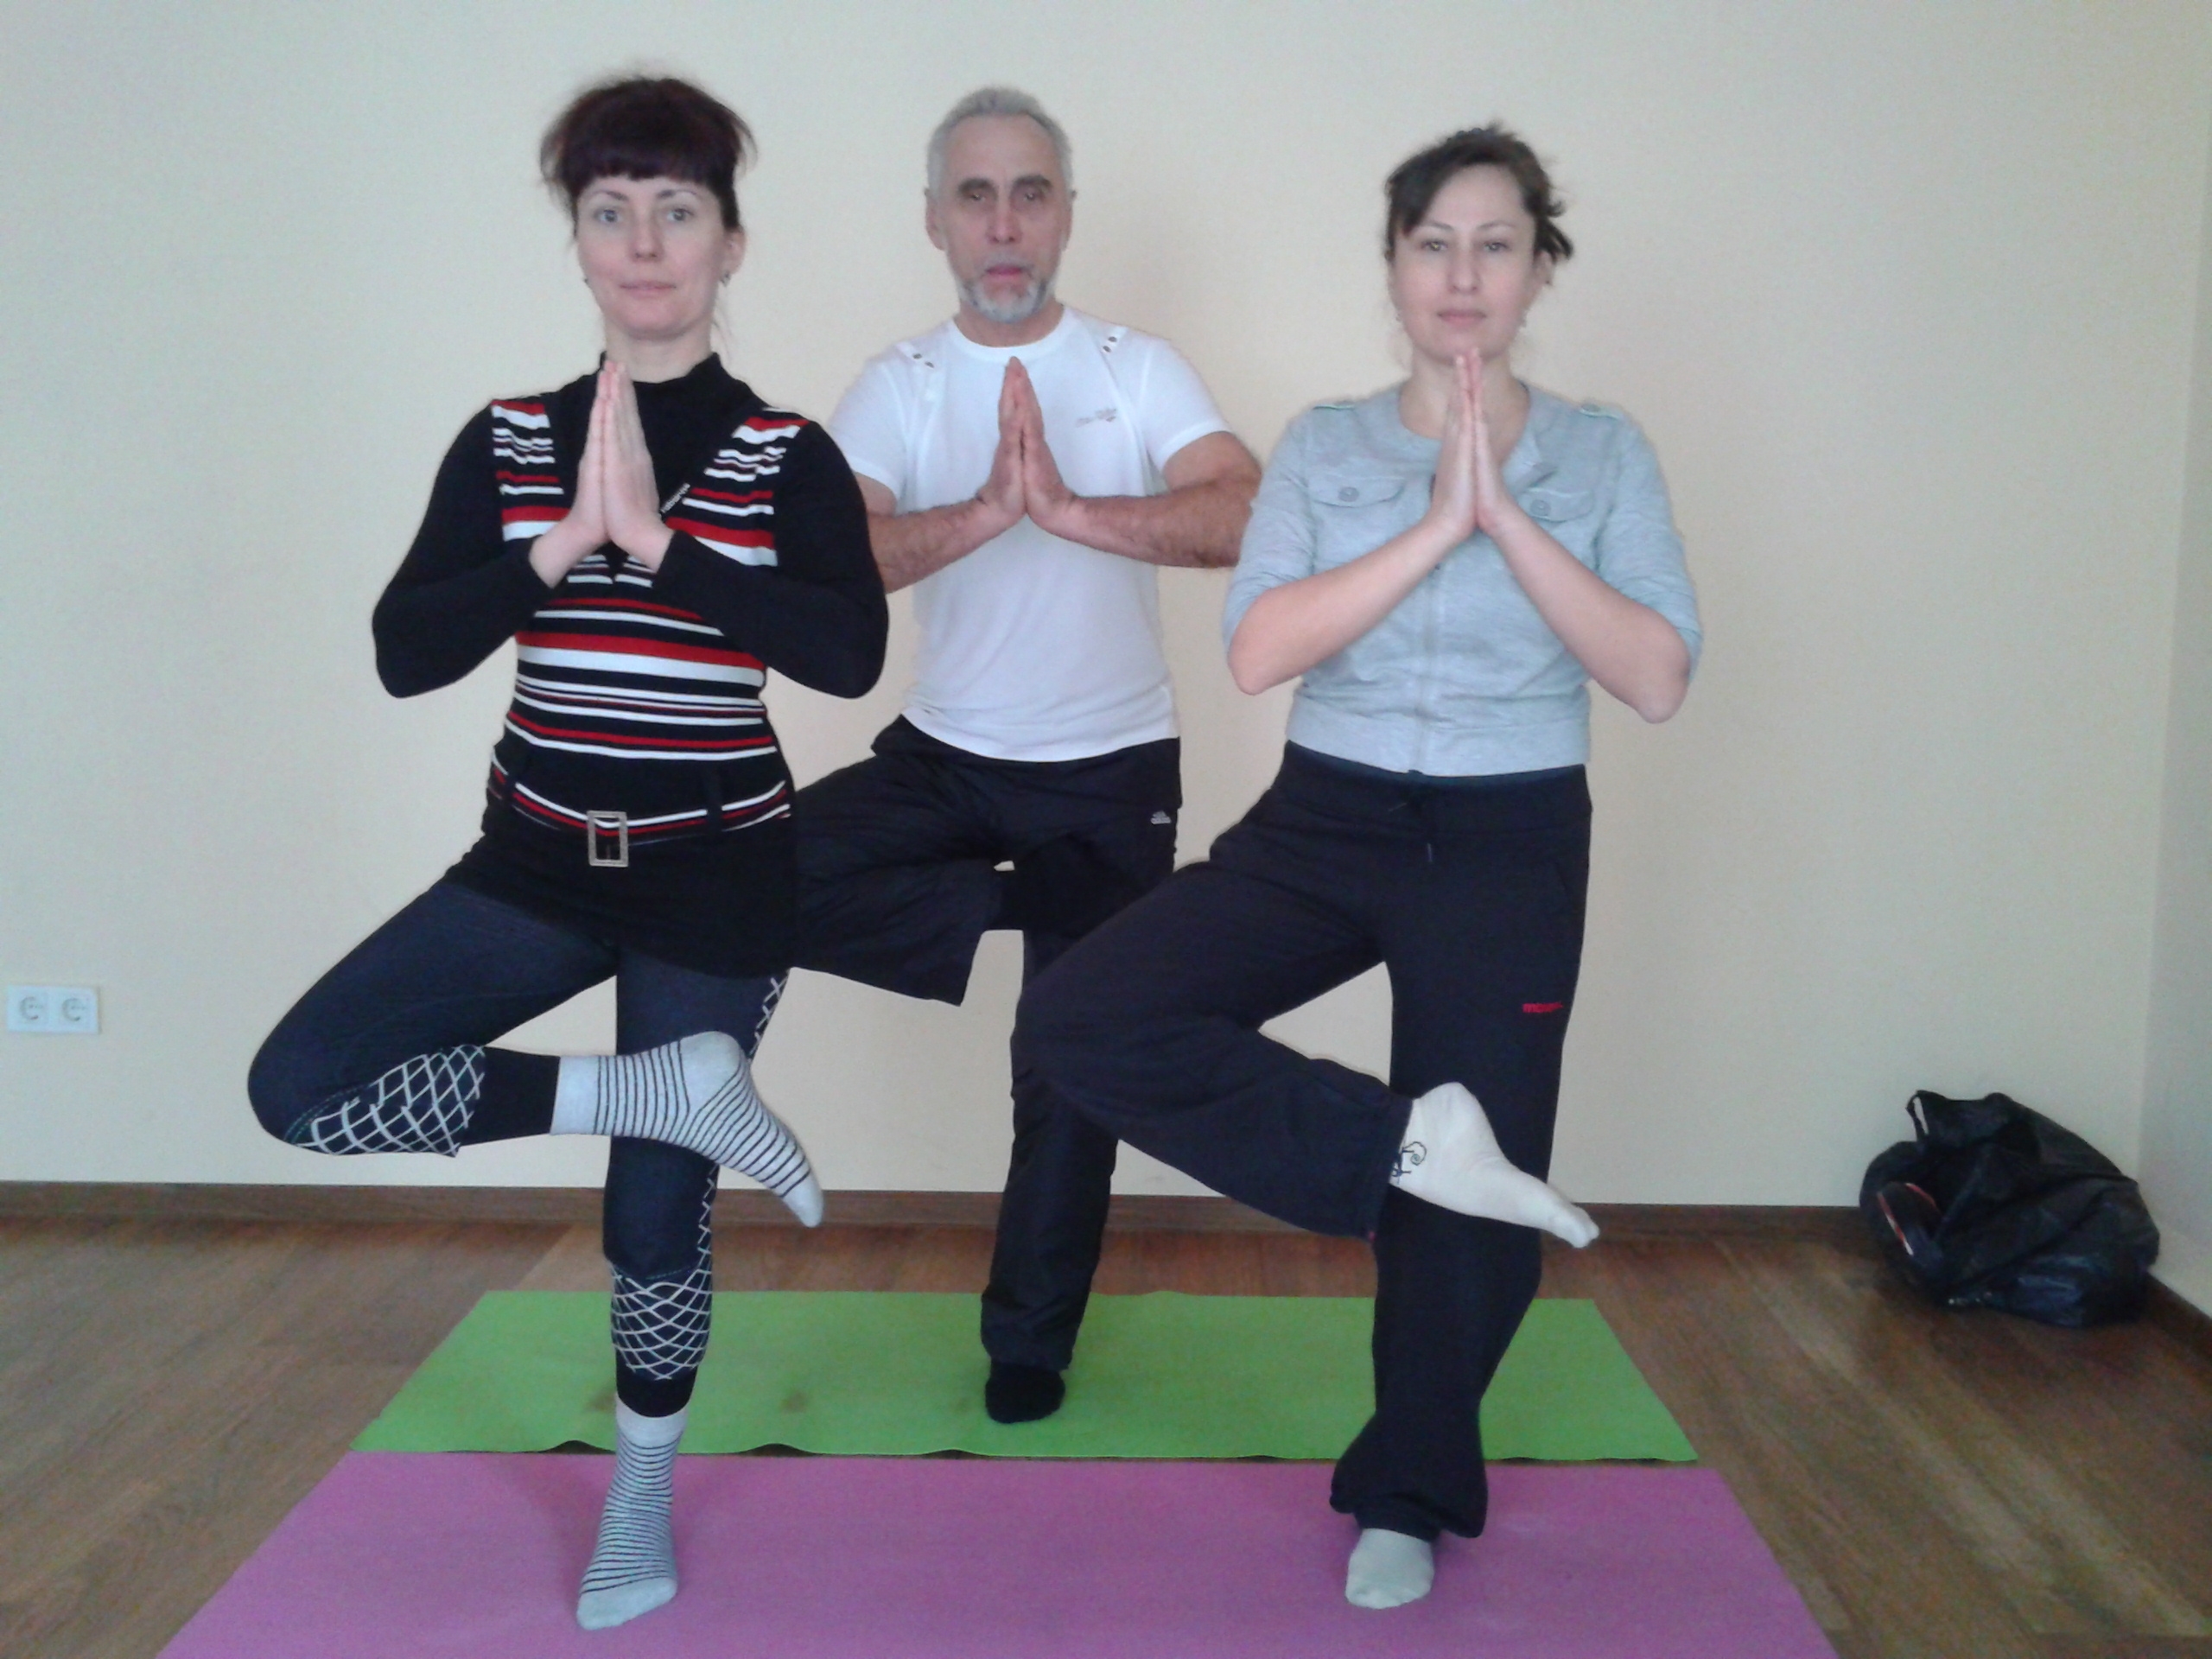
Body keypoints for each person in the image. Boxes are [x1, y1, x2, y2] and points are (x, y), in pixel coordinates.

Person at [1014, 125, 1700, 1610]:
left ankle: (1408, 1491)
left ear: (1539, 268)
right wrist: (1435, 525)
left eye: (1496, 243)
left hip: (1511, 836)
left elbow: (1655, 673)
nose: (1463, 273)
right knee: (1082, 1015)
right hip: (1328, 819)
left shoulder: (1604, 453)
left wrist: (1505, 518)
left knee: (1482, 1204)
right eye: (1432, 242)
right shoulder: (1328, 447)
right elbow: (1260, 651)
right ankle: (1398, 1145)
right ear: (1393, 267)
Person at [245, 76, 887, 1630]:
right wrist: (560, 544)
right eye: (611, 211)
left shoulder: (785, 452)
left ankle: (640, 1498)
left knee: (650, 1222)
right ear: (580, 243)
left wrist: (659, 544)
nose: (643, 241)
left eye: (677, 209)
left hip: (715, 876)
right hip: (534, 862)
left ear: (730, 243)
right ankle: (649, 1090)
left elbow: (849, 656)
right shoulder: (510, 440)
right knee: (304, 1086)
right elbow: (407, 653)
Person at [793, 86, 1262, 1423]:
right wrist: (991, 511)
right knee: (749, 871)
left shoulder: (1133, 368)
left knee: (1067, 1068)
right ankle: (1010, 899)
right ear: (935, 221)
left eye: (1030, 193)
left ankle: (1028, 1344)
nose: (1004, 224)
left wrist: (1069, 509)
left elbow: (1245, 508)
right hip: (948, 761)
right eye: (976, 195)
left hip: (1112, 778)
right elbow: (831, 558)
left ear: (1064, 217)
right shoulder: (900, 383)